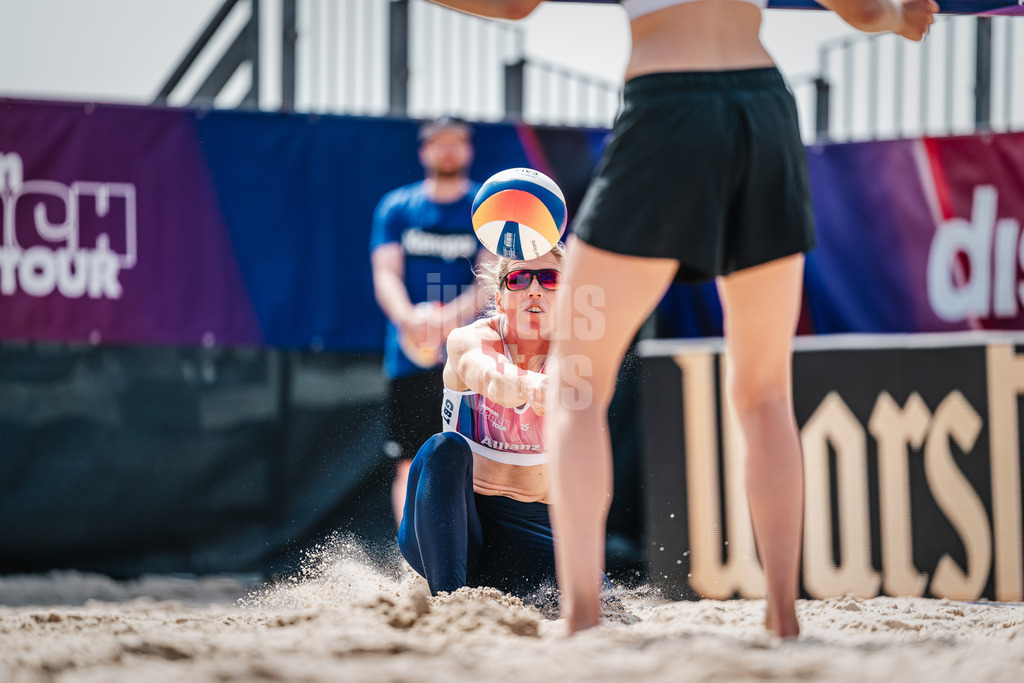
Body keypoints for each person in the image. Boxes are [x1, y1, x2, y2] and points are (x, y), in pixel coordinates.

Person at [427, 0, 938, 637]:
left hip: (667, 100)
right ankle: (783, 618)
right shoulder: (478, 338)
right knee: (764, 393)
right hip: (764, 106)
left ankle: (582, 618)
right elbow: (862, 7)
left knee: (578, 391)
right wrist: (897, 17)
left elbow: (512, 4)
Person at [398, 246, 570, 602]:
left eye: (549, 279)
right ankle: (451, 604)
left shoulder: (575, 353)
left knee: (604, 605)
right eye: (519, 279)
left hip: (531, 533)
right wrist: (531, 385)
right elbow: (491, 378)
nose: (534, 290)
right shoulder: (468, 340)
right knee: (445, 448)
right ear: (499, 297)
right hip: (450, 523)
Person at [370, 116, 488, 526]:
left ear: (469, 150)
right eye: (440, 142)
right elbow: (385, 274)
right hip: (411, 357)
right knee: (409, 462)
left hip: (473, 354)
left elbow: (488, 278)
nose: (449, 149)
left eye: (457, 142)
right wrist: (409, 319)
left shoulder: (483, 208)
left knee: (478, 464)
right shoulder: (397, 207)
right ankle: (414, 559)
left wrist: (446, 323)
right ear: (424, 151)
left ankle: (468, 557)